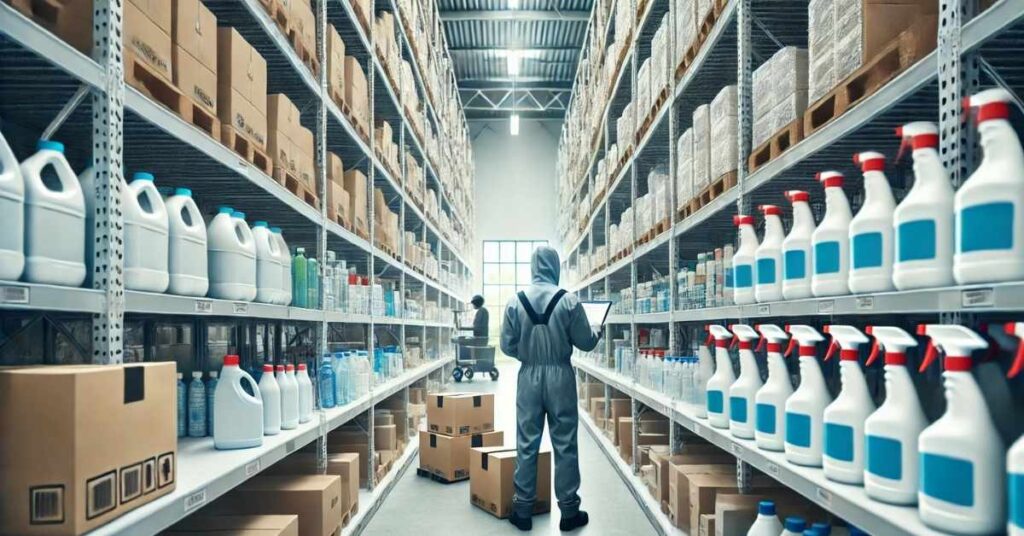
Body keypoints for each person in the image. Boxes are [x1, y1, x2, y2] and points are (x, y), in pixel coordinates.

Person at [500, 246, 601, 532]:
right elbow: (585, 342)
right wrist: (597, 332)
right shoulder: (569, 301)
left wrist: (527, 352)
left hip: (529, 376)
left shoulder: (515, 302)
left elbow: (506, 345)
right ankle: (569, 513)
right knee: (565, 442)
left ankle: (522, 511)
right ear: (555, 267)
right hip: (560, 376)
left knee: (527, 441)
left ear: (533, 267)